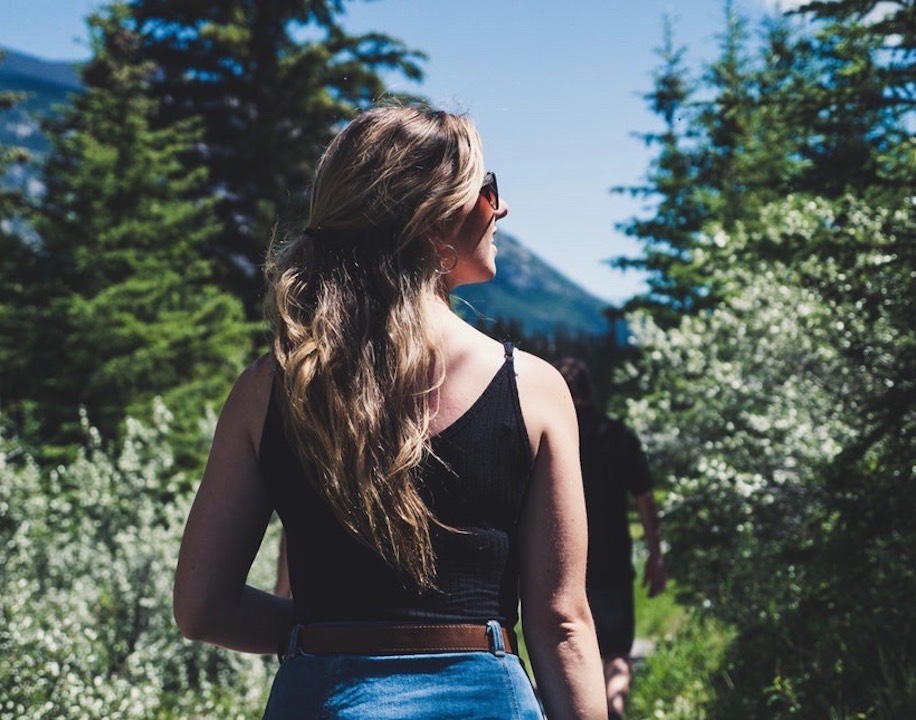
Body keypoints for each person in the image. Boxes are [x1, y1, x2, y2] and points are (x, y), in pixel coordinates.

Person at [173, 105, 605, 719]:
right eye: (487, 191)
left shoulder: (269, 390)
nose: (500, 209)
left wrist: (331, 632)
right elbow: (562, 623)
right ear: (434, 221)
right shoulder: (531, 389)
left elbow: (202, 608)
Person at [553, 357, 668, 719]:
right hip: (615, 561)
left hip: (565, 564)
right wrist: (655, 556)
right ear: (590, 390)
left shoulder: (555, 432)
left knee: (570, 647)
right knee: (616, 650)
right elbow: (645, 499)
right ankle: (614, 706)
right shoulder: (618, 435)